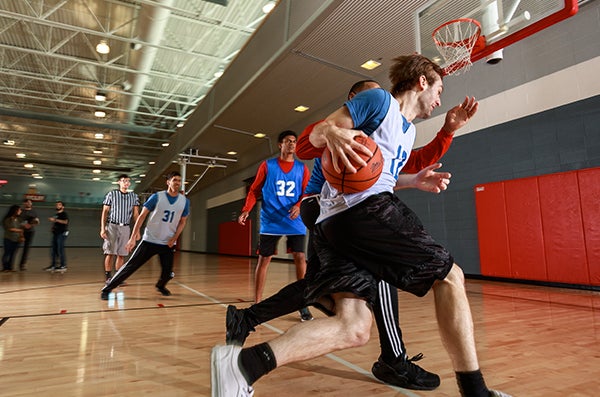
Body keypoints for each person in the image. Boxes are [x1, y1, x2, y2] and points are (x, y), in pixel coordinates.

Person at [211, 54, 512, 397]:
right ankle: (475, 392)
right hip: (362, 212)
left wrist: (422, 168)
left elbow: (384, 172)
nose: (440, 98)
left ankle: (241, 366)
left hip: (334, 223)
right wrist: (330, 133)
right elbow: (317, 135)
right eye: (439, 87)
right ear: (422, 81)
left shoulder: (406, 130)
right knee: (450, 275)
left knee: (353, 327)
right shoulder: (379, 99)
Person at [238, 130, 312, 321]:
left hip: (294, 220)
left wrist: (298, 205)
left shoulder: (302, 169)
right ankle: (257, 302)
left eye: (294, 142)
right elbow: (254, 190)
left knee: (300, 257)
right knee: (264, 260)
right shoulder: (268, 165)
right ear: (280, 145)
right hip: (271, 220)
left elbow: (307, 192)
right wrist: (246, 209)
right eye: (288, 141)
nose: (292, 144)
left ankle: (302, 304)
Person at [100, 171, 189, 300]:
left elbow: (183, 222)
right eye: (174, 180)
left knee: (168, 272)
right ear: (168, 182)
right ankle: (107, 289)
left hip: (167, 242)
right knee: (131, 266)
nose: (177, 183)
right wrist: (132, 237)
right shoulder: (157, 197)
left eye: (179, 181)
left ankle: (160, 285)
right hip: (150, 240)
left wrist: (174, 238)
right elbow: (141, 216)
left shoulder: (184, 202)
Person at [100, 174, 140, 281]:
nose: (126, 183)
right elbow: (105, 212)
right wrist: (103, 228)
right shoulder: (112, 194)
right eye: (124, 181)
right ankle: (108, 276)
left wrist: (137, 232)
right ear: (119, 182)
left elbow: (136, 215)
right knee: (110, 252)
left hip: (125, 227)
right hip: (112, 226)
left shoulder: (134, 197)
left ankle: (118, 277)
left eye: (128, 181)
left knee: (122, 253)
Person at [45, 201, 69, 272]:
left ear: (62, 207)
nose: (57, 206)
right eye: (56, 205)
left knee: (60, 249)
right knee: (53, 250)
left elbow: (65, 222)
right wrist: (53, 227)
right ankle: (53, 265)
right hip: (55, 233)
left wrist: (55, 220)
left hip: (61, 233)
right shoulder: (56, 214)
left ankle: (63, 265)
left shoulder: (64, 214)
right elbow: (56, 223)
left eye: (59, 205)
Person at [18, 199, 39, 271]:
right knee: (16, 247)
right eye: (27, 202)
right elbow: (18, 220)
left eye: (30, 202)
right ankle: (9, 265)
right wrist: (24, 225)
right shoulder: (21, 211)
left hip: (30, 231)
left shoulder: (34, 212)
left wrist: (32, 224)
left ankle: (22, 265)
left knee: (26, 249)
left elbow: (37, 221)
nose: (29, 203)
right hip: (21, 231)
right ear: (24, 203)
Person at [3, 205, 23, 272]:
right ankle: (5, 267)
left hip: (16, 239)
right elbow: (10, 228)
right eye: (19, 210)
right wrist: (19, 230)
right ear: (15, 211)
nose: (20, 211)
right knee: (7, 253)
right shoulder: (8, 219)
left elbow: (22, 228)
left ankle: (10, 267)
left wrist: (21, 236)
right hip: (8, 238)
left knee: (13, 254)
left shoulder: (19, 219)